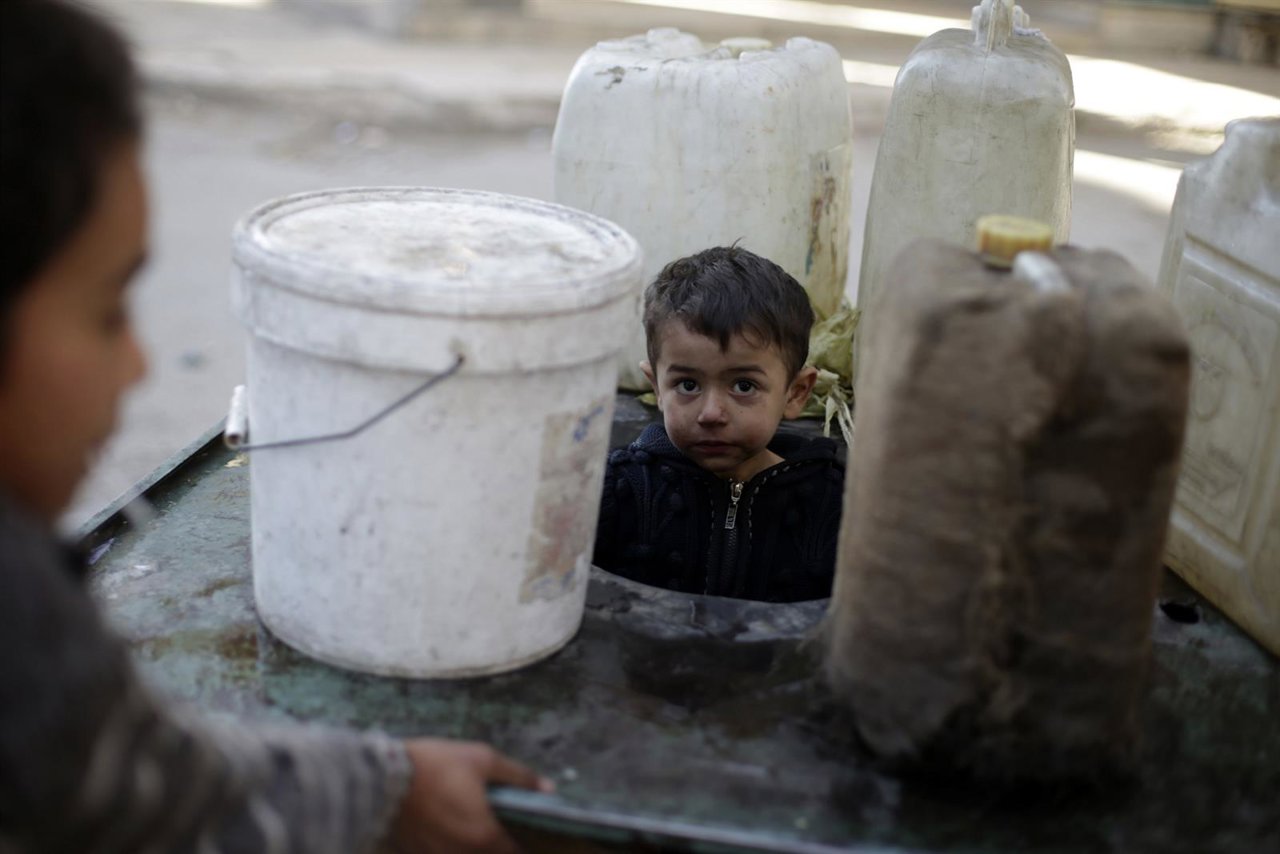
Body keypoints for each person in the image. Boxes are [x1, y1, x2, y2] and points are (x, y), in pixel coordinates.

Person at [0, 2, 549, 851]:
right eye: (109, 312)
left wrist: (387, 786)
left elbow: (166, 781)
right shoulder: (24, 636)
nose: (140, 366)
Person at [593, 246, 845, 603]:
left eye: (744, 386)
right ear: (657, 388)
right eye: (687, 385)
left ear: (796, 393)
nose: (711, 413)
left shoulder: (831, 503)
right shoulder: (617, 491)